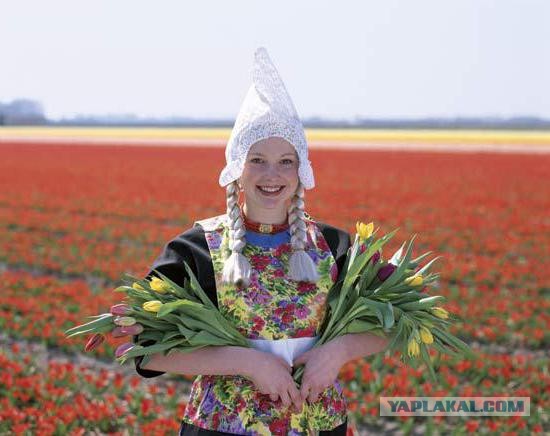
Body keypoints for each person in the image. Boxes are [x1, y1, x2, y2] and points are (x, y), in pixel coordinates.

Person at [133, 47, 389, 435]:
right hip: (222, 427)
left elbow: (392, 321)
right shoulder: (197, 248)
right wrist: (247, 362)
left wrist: (338, 351)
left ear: (302, 170)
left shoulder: (336, 247)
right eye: (257, 160)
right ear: (236, 169)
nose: (273, 174)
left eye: (286, 161)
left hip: (319, 424)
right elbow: (148, 348)